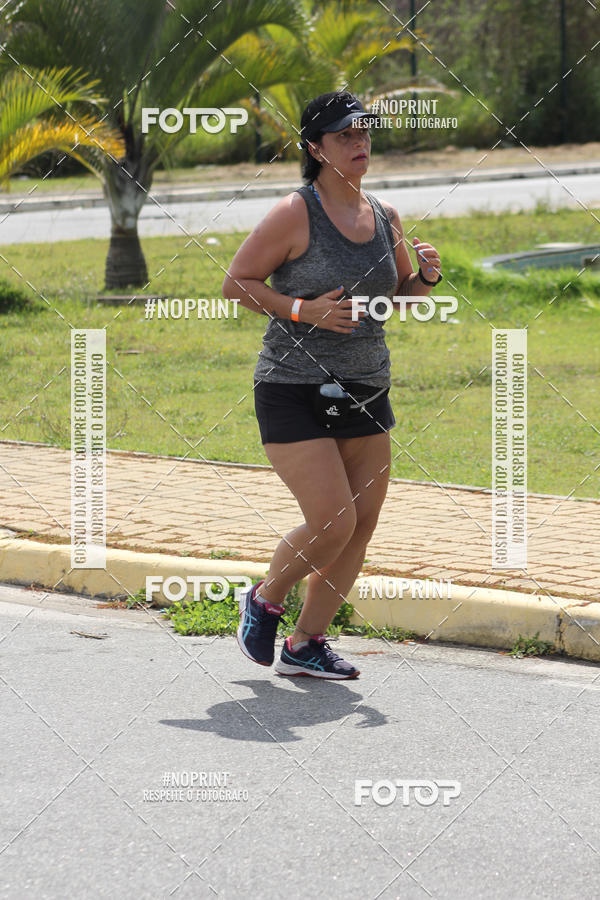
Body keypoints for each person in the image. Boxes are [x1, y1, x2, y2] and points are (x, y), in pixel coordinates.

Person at [222, 90, 442, 679]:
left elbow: (403, 295)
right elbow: (237, 284)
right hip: (293, 387)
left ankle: (304, 644)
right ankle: (265, 598)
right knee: (332, 520)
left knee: (359, 527)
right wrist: (302, 310)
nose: (360, 142)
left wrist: (425, 277)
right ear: (316, 148)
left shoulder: (385, 215)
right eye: (345, 135)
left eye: (365, 132)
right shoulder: (296, 212)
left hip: (366, 388)